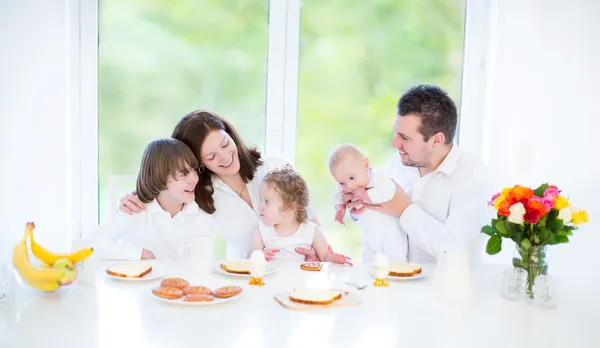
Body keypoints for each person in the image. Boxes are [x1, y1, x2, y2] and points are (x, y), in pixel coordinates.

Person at [119, 110, 351, 263]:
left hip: (299, 275)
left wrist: (316, 254)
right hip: (250, 282)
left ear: (231, 135)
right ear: (199, 163)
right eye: (211, 156)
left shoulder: (275, 167)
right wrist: (139, 197)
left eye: (225, 144)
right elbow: (167, 191)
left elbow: (310, 218)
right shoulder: (204, 197)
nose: (225, 157)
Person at [344, 85, 492, 265]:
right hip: (391, 282)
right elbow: (385, 226)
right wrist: (361, 209)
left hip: (442, 289)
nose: (394, 143)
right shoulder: (399, 162)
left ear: (436, 140)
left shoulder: (473, 177)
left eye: (404, 138)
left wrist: (405, 209)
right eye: (395, 133)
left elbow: (458, 252)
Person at [86, 138, 214, 260]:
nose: (195, 179)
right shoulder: (135, 208)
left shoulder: (199, 212)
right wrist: (138, 254)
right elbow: (89, 244)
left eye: (194, 170)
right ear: (159, 178)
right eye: (184, 174)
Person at [249, 166, 349, 264]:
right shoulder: (262, 231)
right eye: (260, 200)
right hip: (270, 281)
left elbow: (325, 257)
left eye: (267, 202)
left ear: (291, 207)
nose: (260, 206)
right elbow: (248, 260)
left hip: (301, 280)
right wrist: (259, 256)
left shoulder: (311, 231)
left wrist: (334, 258)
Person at [329, 144, 408, 262]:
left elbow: (388, 192)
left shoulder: (378, 178)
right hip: (369, 237)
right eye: (342, 183)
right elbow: (337, 194)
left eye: (352, 178)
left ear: (365, 164)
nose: (349, 186)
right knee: (367, 264)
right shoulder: (346, 186)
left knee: (396, 262)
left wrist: (365, 195)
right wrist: (340, 207)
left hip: (390, 236)